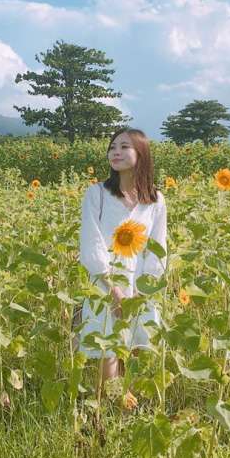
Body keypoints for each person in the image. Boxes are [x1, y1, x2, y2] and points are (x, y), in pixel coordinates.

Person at [76, 128, 168, 382]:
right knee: (109, 347)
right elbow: (91, 242)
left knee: (138, 344)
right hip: (105, 283)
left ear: (141, 153)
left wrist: (140, 293)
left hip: (140, 286)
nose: (115, 152)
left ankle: (130, 408)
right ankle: (108, 410)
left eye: (124, 147)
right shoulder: (97, 194)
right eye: (112, 147)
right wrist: (114, 290)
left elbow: (158, 248)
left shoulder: (155, 200)